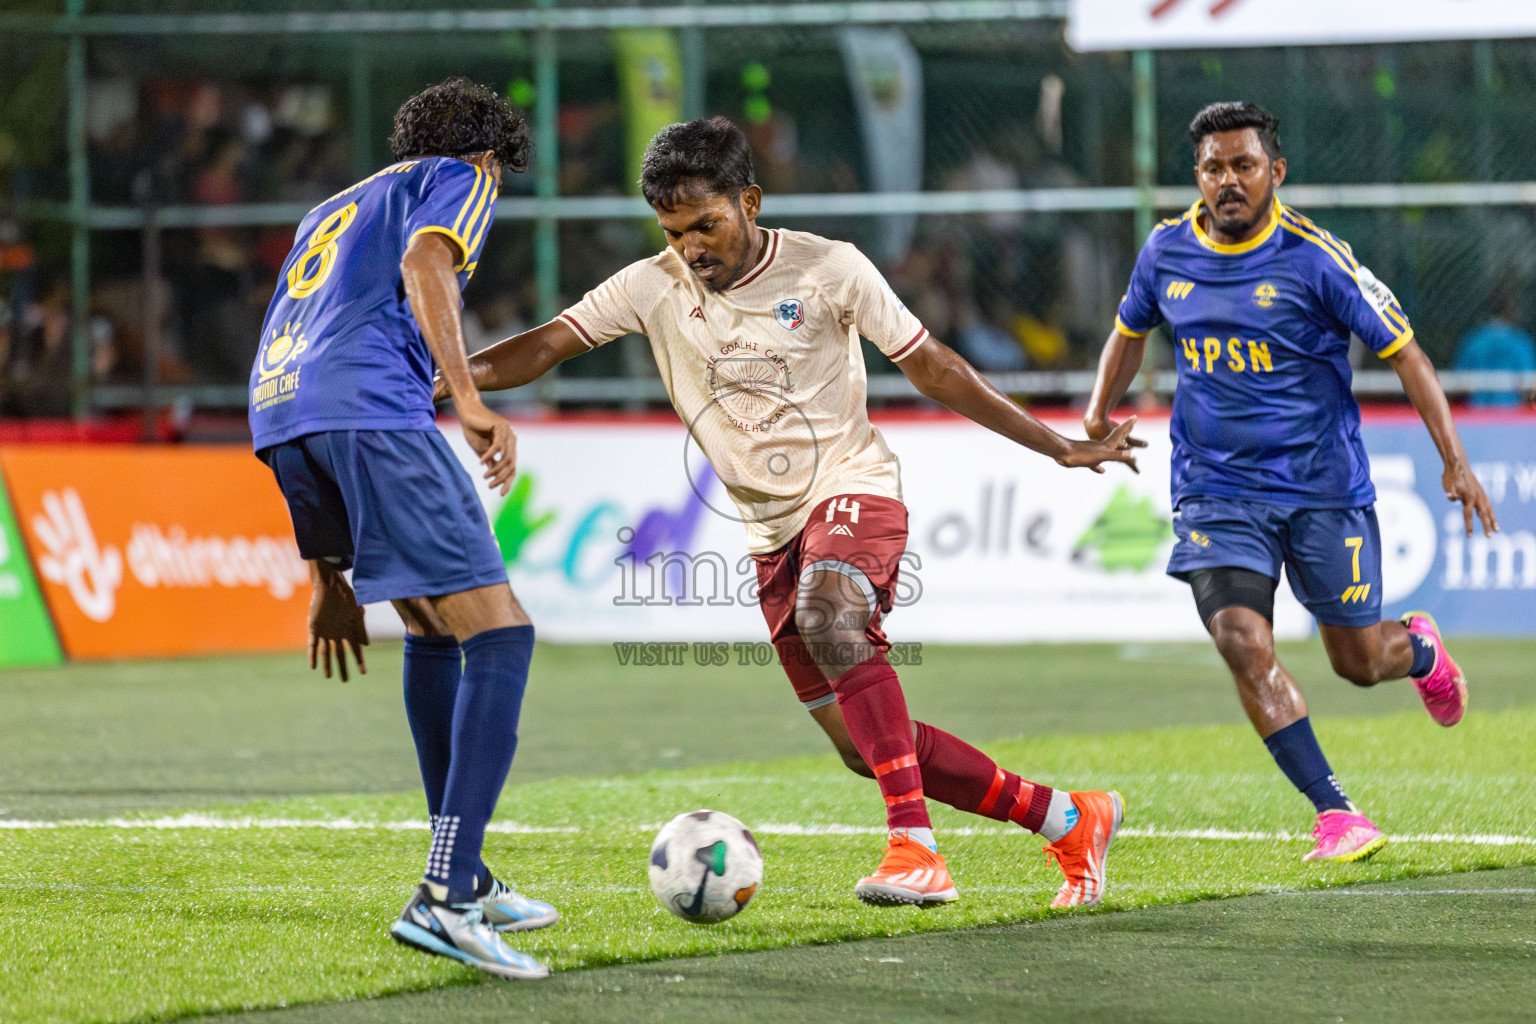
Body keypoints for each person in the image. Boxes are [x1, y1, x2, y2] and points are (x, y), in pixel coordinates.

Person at [450, 117, 1139, 910]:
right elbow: (543, 346)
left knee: (830, 615)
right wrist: (447, 383)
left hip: (854, 486)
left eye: (706, 225)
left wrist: (1055, 446)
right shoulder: (652, 285)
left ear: (749, 201)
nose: (691, 248)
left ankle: (916, 848)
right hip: (768, 533)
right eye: (675, 233)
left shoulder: (830, 268)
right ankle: (1066, 817)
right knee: (867, 746)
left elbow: (936, 369)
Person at [1084, 102, 1499, 863]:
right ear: (1199, 177)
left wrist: (1456, 460)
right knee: (1242, 639)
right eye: (1214, 168)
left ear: (1274, 172)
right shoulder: (1166, 251)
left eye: (1244, 166)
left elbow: (1408, 355)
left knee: (1359, 661)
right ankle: (1335, 812)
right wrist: (1096, 412)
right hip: (1214, 488)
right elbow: (1128, 331)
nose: (1228, 181)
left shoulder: (1319, 258)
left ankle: (1419, 650)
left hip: (1322, 488)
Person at [248, 79, 555, 981]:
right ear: (491, 154)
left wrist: (324, 578)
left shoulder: (334, 206)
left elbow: (288, 342)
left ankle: (467, 871)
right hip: (373, 409)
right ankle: (447, 896)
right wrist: (468, 399)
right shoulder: (463, 175)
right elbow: (428, 265)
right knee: (501, 634)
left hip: (282, 418)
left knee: (430, 627)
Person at [1452, 290, 1536, 407]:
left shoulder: (1472, 340)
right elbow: (1530, 386)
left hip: (1476, 416)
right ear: (1510, 311)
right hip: (1514, 416)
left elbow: (1459, 384)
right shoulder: (1521, 342)